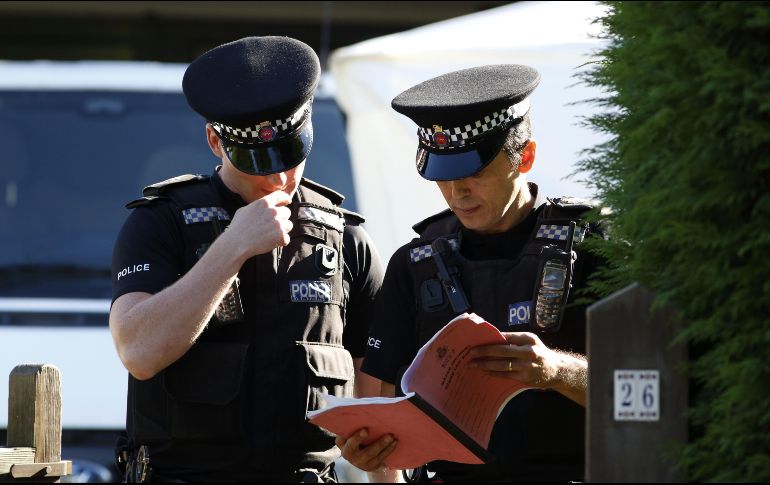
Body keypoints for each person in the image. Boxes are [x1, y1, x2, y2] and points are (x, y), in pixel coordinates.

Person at [109, 36, 383, 483]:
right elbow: (138, 351)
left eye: (291, 155)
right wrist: (233, 247)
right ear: (215, 141)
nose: (278, 177)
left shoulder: (346, 238)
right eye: (257, 162)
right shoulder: (162, 223)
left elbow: (378, 400)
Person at [336, 65, 602, 482]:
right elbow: (377, 405)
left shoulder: (592, 247)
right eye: (443, 177)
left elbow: (649, 393)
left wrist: (555, 372)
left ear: (526, 156)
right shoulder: (414, 262)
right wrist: (369, 448)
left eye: (474, 173)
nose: (457, 193)